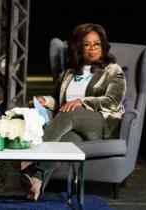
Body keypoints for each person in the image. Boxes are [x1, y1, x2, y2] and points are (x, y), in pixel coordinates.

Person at [21, 23, 126, 201]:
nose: (93, 49)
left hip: (101, 123)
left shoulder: (112, 70)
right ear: (79, 47)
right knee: (67, 142)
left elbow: (113, 101)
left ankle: (30, 156)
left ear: (103, 46)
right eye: (87, 44)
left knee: (72, 112)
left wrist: (81, 102)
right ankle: (37, 182)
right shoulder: (68, 73)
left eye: (97, 44)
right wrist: (44, 100)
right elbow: (59, 102)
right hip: (73, 125)